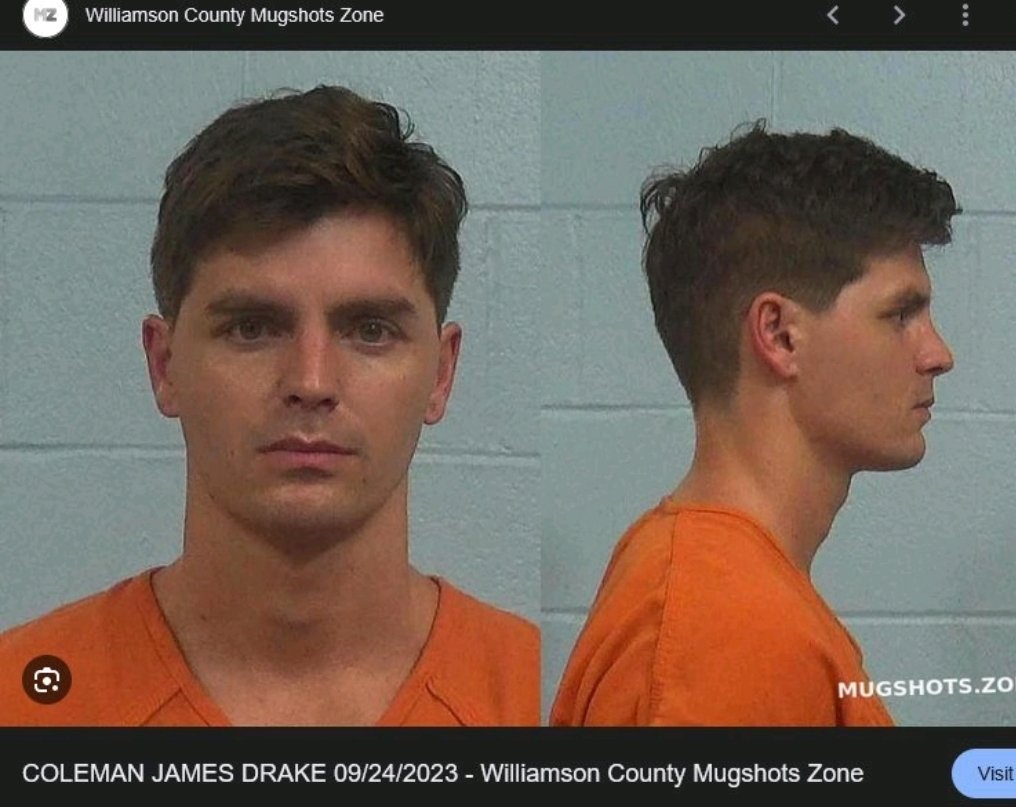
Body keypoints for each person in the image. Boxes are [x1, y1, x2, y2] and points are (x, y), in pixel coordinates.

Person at [0, 85, 539, 726]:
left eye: (370, 330)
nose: (311, 381)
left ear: (441, 374)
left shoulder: (541, 698)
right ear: (164, 365)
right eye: (252, 328)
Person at [550, 123, 958, 726]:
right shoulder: (725, 629)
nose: (938, 354)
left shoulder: (716, 590)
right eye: (901, 314)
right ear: (779, 335)